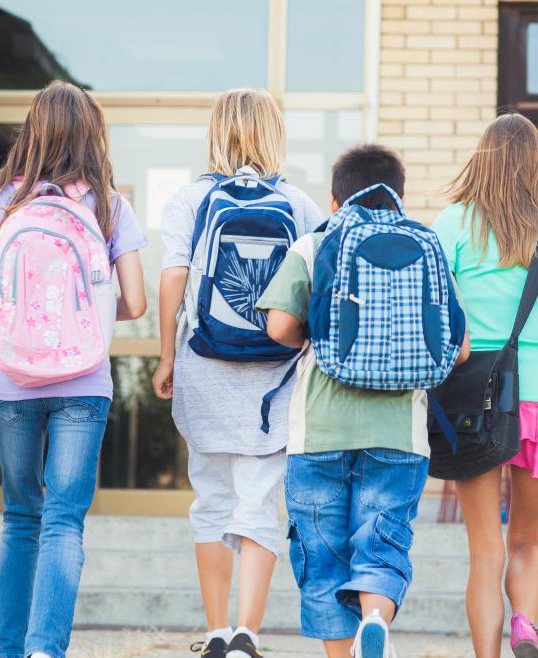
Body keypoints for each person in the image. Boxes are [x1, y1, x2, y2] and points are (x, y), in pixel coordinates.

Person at [0, 81, 148, 658]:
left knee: (19, 517)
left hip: (12, 380)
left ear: (31, 129)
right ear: (92, 134)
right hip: (84, 383)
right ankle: (44, 650)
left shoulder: (2, 196)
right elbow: (135, 303)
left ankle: (6, 650)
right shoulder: (108, 203)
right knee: (63, 520)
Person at [257, 143, 467, 658]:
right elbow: (459, 349)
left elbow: (279, 325)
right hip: (400, 433)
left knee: (323, 558)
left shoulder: (315, 243)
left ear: (335, 200)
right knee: (381, 543)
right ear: (399, 195)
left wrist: (318, 335)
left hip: (319, 431)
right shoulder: (427, 245)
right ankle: (375, 618)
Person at [152, 88, 323, 658]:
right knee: (259, 502)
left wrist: (165, 357)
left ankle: (219, 630)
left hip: (204, 366)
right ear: (275, 133)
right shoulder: (298, 204)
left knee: (211, 501)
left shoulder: (189, 199)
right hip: (274, 378)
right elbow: (315, 290)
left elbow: (172, 282)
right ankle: (250, 630)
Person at [431, 113, 538, 658]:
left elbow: (437, 309)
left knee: (485, 549)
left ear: (484, 158)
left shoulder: (453, 223)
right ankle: (525, 625)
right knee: (527, 541)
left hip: (474, 399)